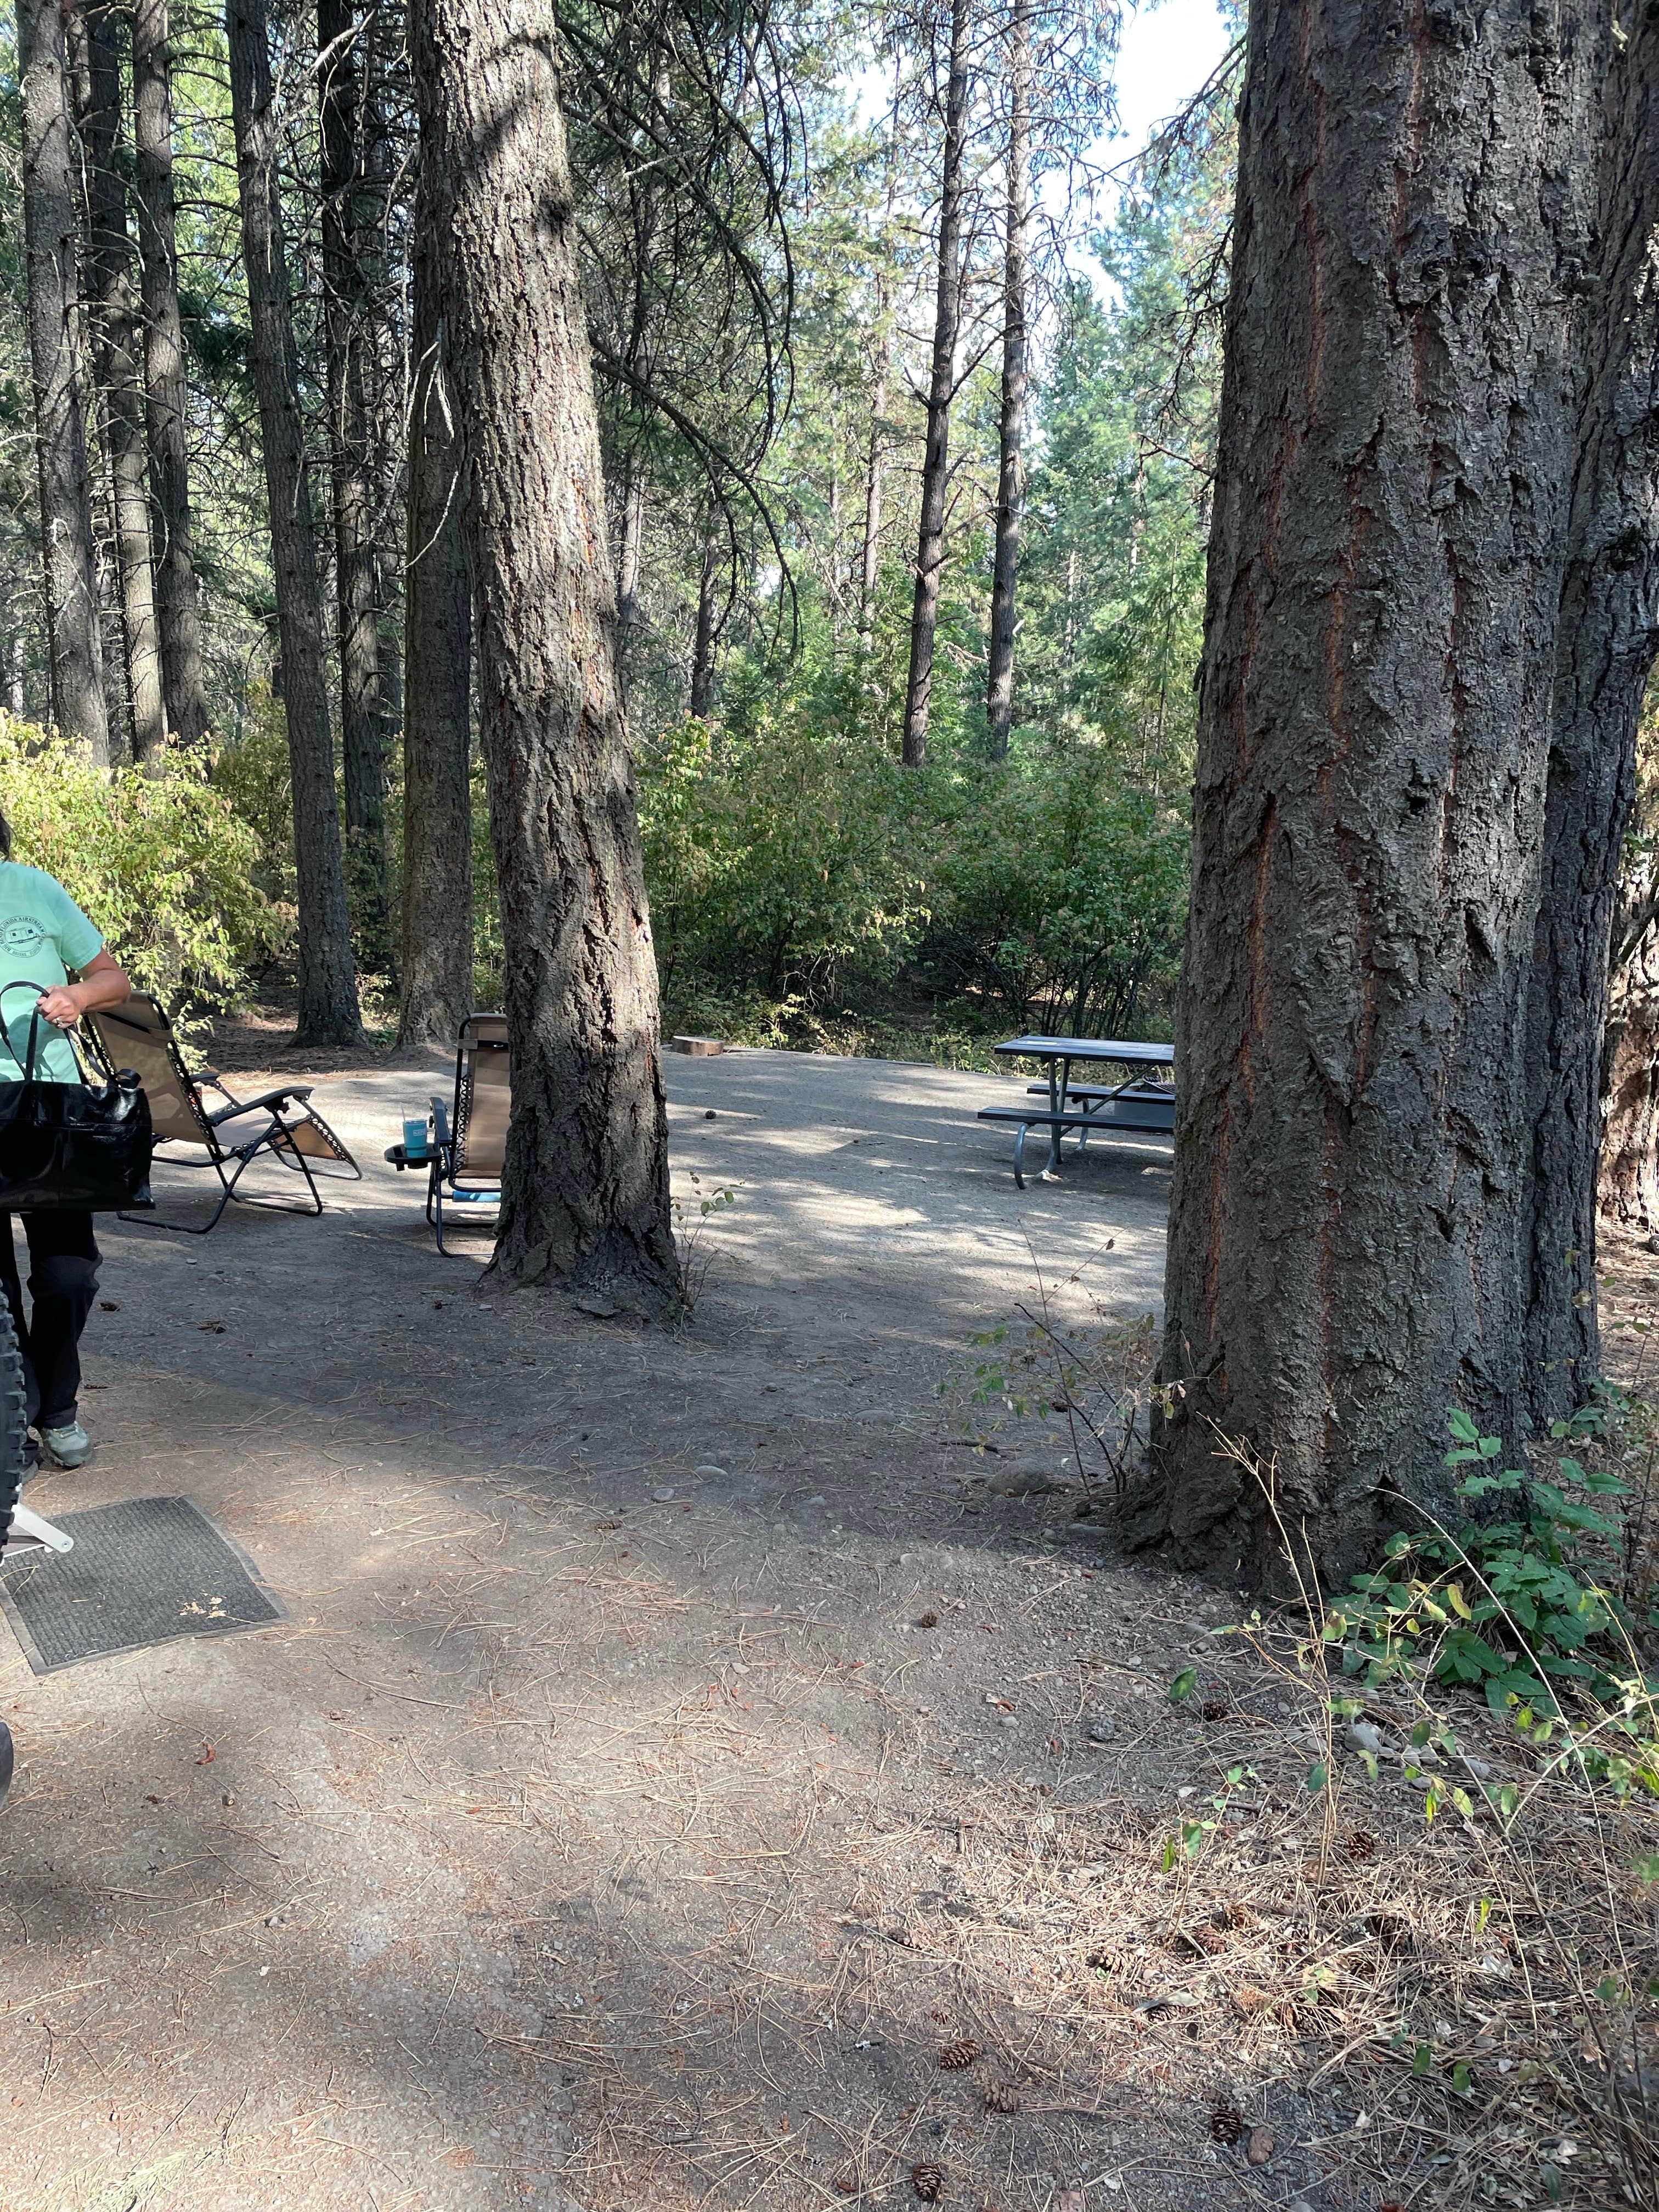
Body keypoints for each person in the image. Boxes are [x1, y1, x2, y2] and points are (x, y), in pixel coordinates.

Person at [0, 809, 131, 1470]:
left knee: (69, 1276)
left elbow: (116, 980)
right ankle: (29, 1412)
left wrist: (78, 997)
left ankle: (52, 1401)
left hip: (49, 1106)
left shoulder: (33, 888)